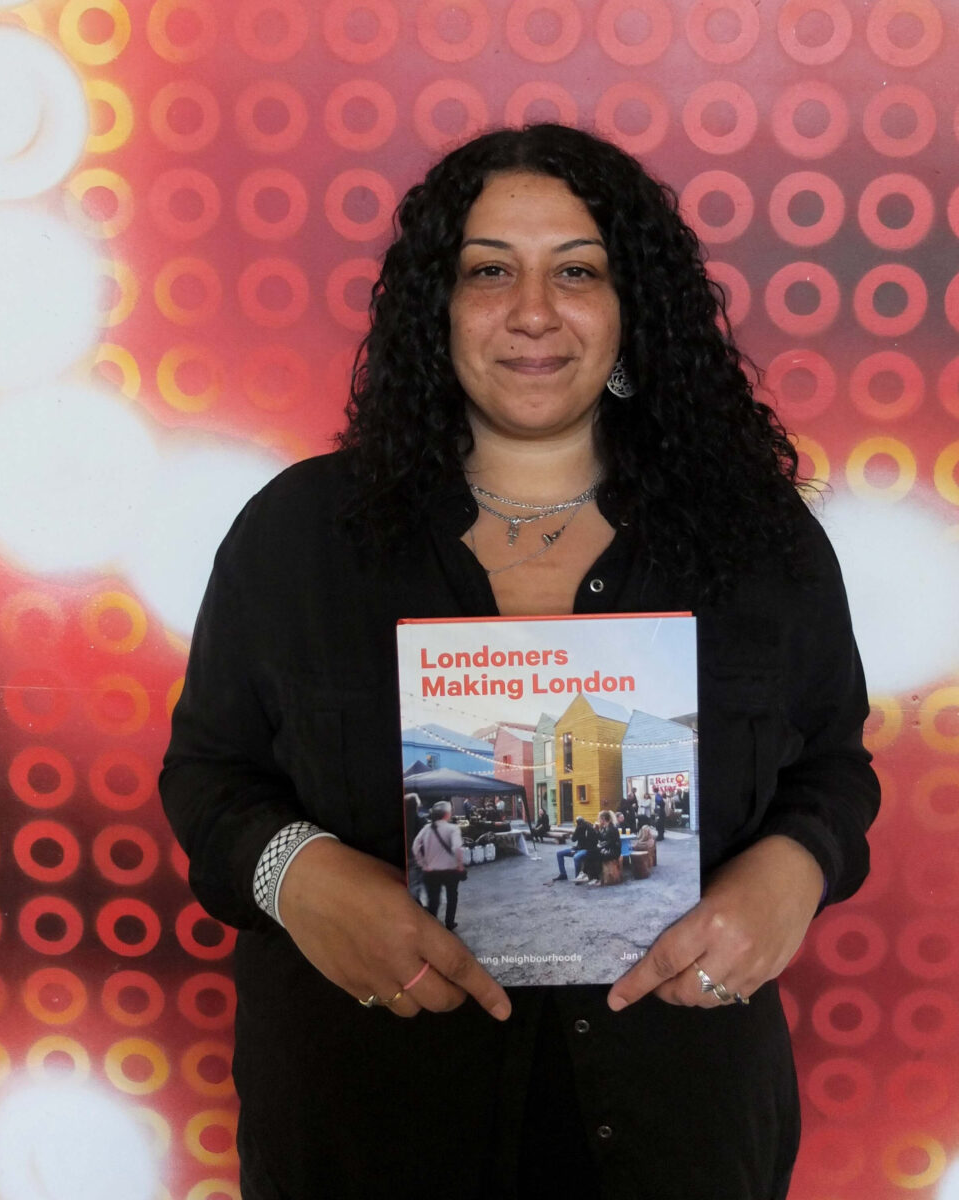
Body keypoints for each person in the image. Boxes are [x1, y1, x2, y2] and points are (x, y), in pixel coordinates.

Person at [160, 123, 879, 1199]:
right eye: (489, 270)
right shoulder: (297, 534)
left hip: (678, 1131)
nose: (532, 312)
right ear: (436, 310)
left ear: (632, 309)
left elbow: (835, 767)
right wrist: (297, 875)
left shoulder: (759, 541)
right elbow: (207, 777)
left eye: (576, 271)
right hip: (366, 1132)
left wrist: (797, 870)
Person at [411, 799, 464, 931]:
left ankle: (432, 926)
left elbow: (415, 847)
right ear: (447, 814)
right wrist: (460, 865)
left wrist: (423, 863)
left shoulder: (426, 829)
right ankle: (449, 923)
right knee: (452, 897)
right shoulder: (452, 828)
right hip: (450, 871)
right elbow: (457, 848)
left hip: (431, 871)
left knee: (433, 900)